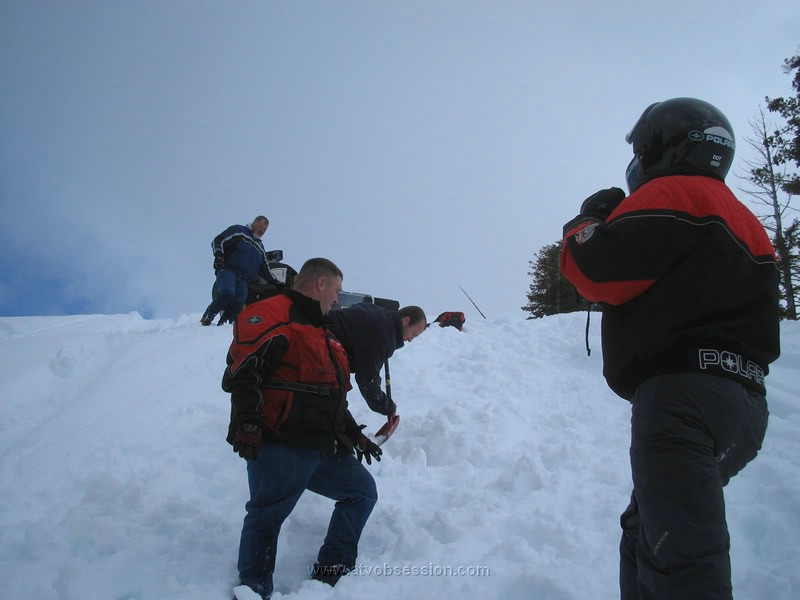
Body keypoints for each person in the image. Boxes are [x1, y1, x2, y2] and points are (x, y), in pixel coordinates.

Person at [559, 97, 780, 599]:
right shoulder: (747, 219)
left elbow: (595, 272)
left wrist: (589, 217)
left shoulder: (671, 193)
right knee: (647, 529)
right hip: (746, 407)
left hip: (683, 398)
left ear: (662, 147)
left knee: (682, 564)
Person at [222, 257, 383, 600]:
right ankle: (254, 589)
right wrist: (247, 421)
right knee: (267, 516)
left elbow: (332, 396)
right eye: (336, 291)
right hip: (284, 443)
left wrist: (355, 435)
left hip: (325, 448)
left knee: (362, 492)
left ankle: (333, 570)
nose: (338, 299)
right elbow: (244, 371)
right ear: (321, 284)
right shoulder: (274, 313)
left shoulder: (326, 335)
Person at [329, 303, 427, 416]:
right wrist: (387, 406)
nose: (410, 340)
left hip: (319, 336)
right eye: (413, 334)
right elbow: (367, 379)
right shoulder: (384, 335)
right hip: (320, 349)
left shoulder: (383, 317)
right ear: (405, 321)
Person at [201, 215, 278, 326]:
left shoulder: (260, 247)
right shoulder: (239, 231)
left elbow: (264, 268)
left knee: (239, 302)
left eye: (265, 230)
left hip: (244, 279)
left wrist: (275, 282)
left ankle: (226, 324)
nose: (262, 231)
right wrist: (219, 256)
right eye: (261, 227)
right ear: (254, 223)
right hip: (228, 270)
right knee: (228, 292)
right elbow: (218, 241)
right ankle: (209, 314)